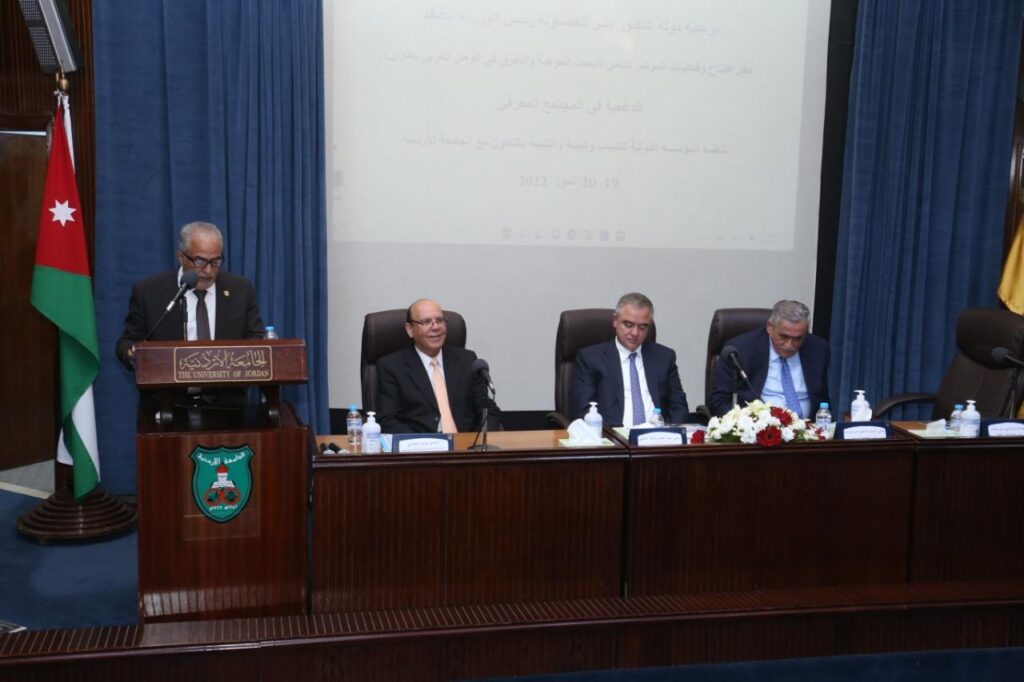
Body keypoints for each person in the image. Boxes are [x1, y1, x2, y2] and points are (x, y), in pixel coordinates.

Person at [116, 221, 264, 370]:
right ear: (181, 257)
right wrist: (131, 353)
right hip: (169, 383)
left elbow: (256, 339)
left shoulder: (240, 290)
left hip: (227, 383)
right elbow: (127, 342)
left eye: (215, 261)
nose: (208, 270)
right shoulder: (148, 292)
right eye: (200, 261)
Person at [375, 298, 496, 434]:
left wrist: (479, 441)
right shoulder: (391, 366)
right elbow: (387, 419)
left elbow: (487, 410)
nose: (436, 327)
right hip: (420, 445)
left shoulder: (467, 360)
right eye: (426, 322)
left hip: (465, 443)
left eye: (440, 320)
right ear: (410, 329)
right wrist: (423, 443)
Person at [571, 293, 689, 427]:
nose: (635, 333)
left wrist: (669, 433)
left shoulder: (664, 357)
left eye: (642, 327)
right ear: (615, 320)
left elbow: (679, 407)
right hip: (613, 436)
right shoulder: (590, 358)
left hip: (657, 436)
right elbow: (584, 410)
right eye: (628, 324)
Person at [710, 299, 831, 418]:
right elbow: (719, 402)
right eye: (784, 336)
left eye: (798, 338)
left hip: (809, 428)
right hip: (760, 427)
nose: (789, 345)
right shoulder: (740, 350)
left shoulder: (819, 349)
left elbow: (823, 401)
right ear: (770, 327)